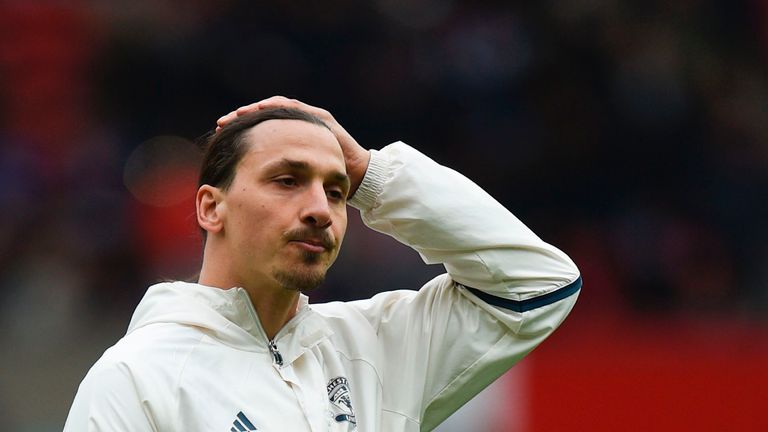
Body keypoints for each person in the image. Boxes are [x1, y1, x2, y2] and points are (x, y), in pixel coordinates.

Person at [63, 96, 581, 431]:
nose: (319, 209)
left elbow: (539, 287)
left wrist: (373, 174)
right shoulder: (136, 377)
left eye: (337, 191)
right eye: (287, 180)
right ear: (210, 207)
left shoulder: (376, 349)